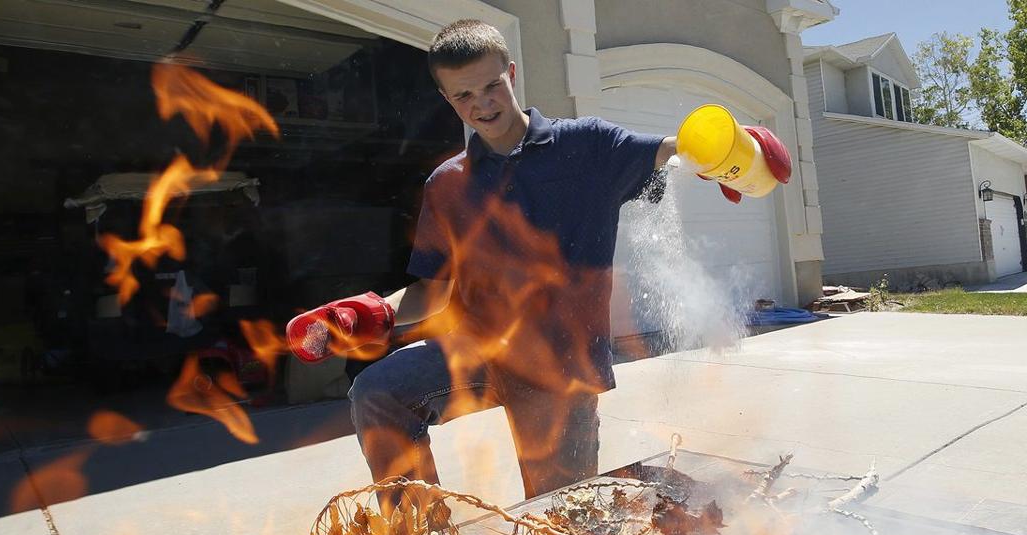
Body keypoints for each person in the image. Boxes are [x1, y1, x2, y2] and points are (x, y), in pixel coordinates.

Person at [285, 19, 788, 501]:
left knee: (558, 521)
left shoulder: (587, 146)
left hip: (559, 365)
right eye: (463, 95)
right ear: (446, 98)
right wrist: (371, 314)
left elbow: (673, 152)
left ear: (512, 74)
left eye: (491, 86)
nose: (481, 104)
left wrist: (733, 150)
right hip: (480, 349)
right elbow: (431, 289)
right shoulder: (448, 185)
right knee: (378, 390)